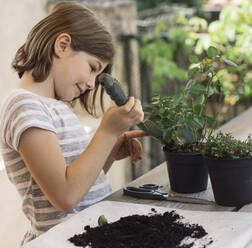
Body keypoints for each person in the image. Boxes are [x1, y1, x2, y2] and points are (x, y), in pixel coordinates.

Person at [0, 1, 145, 245]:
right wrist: (107, 133)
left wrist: (106, 154)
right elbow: (65, 196)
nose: (91, 83)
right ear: (63, 45)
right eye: (91, 68)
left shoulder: (54, 107)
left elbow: (79, 185)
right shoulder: (24, 106)